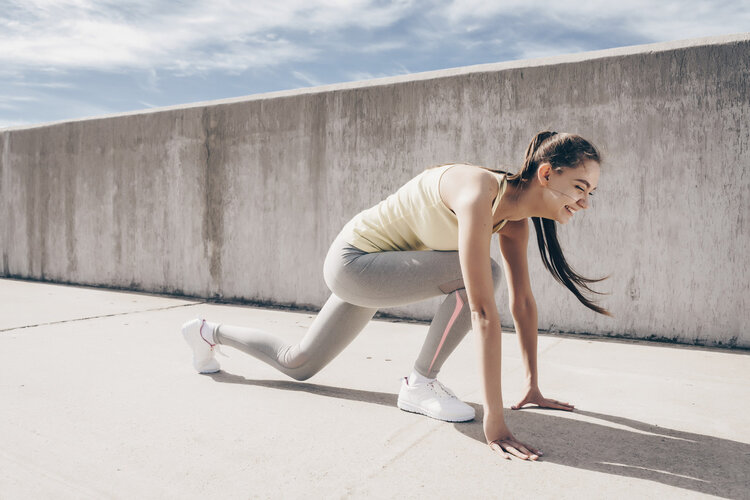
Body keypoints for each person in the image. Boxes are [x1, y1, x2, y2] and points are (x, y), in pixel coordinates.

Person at [181, 130, 611, 460]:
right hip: (356, 262)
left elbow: (523, 304)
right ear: (546, 173)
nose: (585, 202)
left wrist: (533, 385)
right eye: (579, 187)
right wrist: (495, 423)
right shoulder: (479, 191)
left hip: (383, 270)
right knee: (483, 276)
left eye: (591, 192)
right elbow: (482, 312)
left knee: (299, 363)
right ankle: (419, 384)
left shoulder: (514, 223)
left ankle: (207, 332)